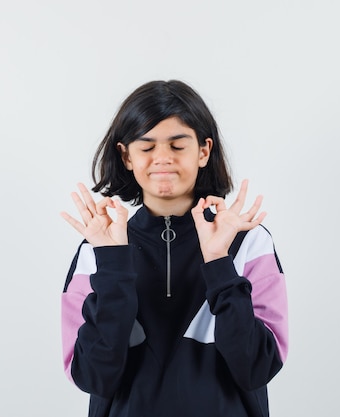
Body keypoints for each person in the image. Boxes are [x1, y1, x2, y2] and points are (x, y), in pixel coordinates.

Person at [60, 80, 288, 417]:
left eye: (177, 146)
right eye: (147, 147)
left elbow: (255, 367)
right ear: (126, 156)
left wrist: (218, 261)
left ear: (203, 151)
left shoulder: (248, 240)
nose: (162, 159)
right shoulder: (100, 247)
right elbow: (95, 376)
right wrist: (113, 263)